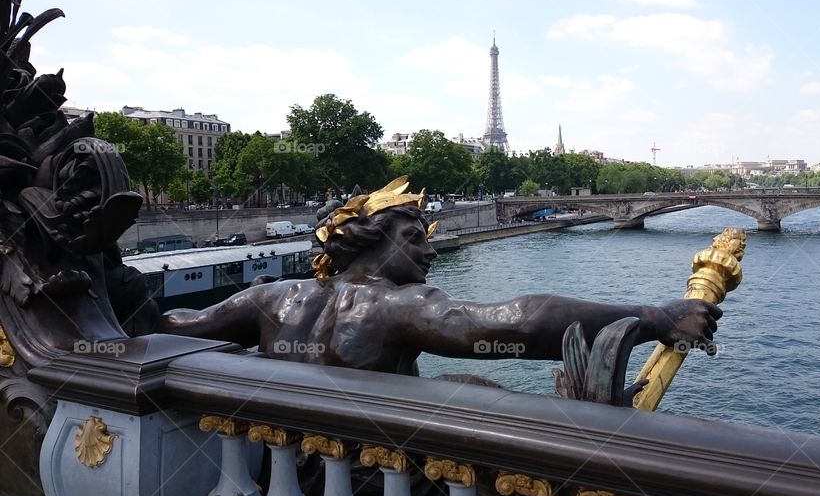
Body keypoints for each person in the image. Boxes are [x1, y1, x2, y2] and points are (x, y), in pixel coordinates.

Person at [158, 177, 721, 374]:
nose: (429, 251)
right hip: (367, 487)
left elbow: (176, 327)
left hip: (274, 475)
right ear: (374, 237)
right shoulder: (394, 305)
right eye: (415, 237)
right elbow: (517, 323)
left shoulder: (271, 298)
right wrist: (654, 316)